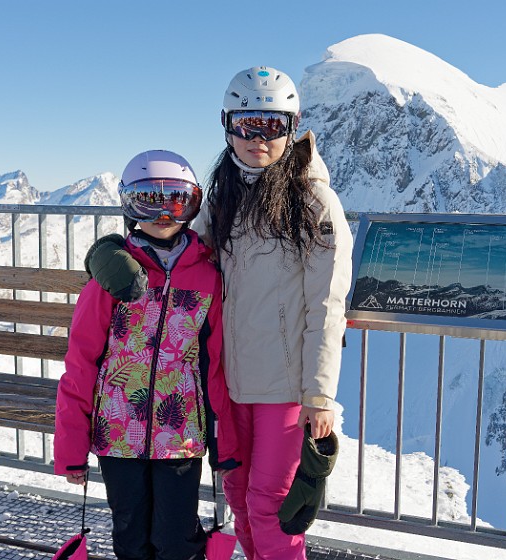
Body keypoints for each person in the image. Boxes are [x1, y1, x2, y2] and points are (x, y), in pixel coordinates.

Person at [85, 66, 353, 560]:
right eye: (247, 123)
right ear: (227, 124)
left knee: (274, 508)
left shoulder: (314, 202)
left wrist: (319, 393)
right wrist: (106, 252)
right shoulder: (224, 195)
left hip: (285, 387)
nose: (258, 138)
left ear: (292, 128)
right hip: (228, 384)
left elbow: (327, 305)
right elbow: (174, 249)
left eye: (273, 125)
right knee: (239, 499)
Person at [54, 149, 240, 560]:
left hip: (180, 435)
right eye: (147, 200)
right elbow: (82, 362)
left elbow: (212, 365)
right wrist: (70, 446)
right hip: (118, 431)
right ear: (128, 205)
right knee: (131, 538)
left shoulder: (207, 276)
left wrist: (222, 442)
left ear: (193, 205)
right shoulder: (113, 277)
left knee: (178, 539)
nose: (163, 214)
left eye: (177, 200)